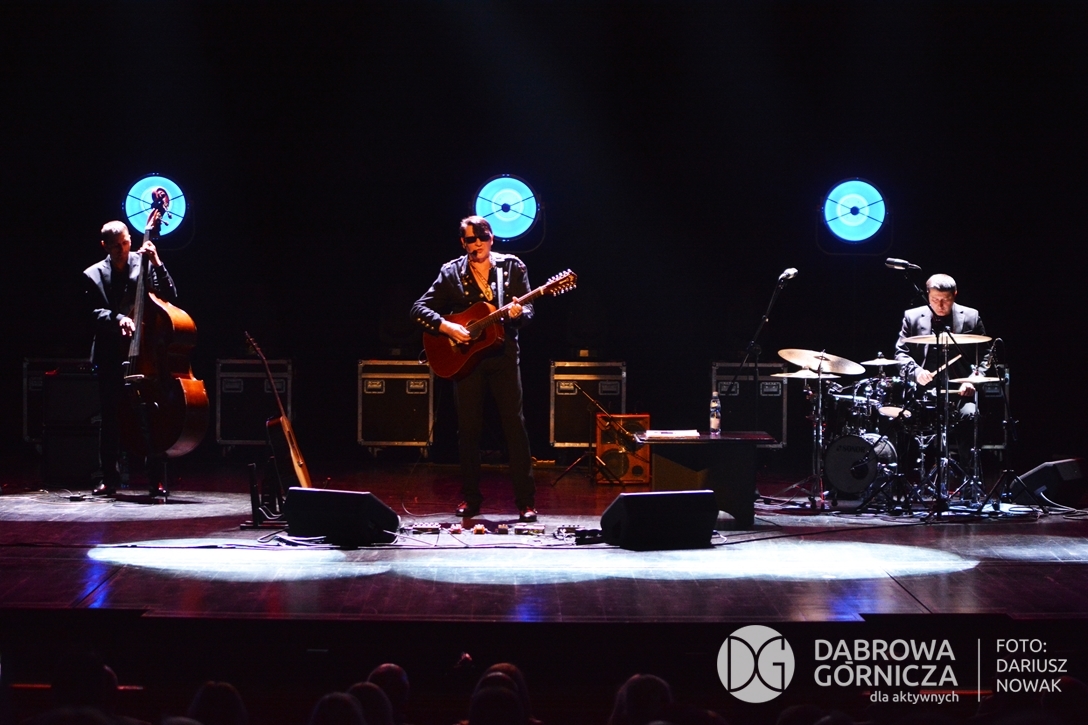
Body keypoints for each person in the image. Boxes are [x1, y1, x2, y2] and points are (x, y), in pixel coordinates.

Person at [411, 215, 537, 522]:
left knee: (514, 426)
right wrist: (448, 327)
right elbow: (418, 309)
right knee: (468, 430)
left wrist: (519, 313)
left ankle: (525, 502)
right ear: (462, 242)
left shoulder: (512, 267)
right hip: (466, 359)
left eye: (482, 238)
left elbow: (529, 310)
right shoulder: (450, 272)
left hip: (503, 355)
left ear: (492, 238)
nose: (477, 244)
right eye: (471, 239)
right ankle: (470, 499)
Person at [83, 220, 178, 497]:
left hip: (144, 353)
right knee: (110, 416)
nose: (123, 249)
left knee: (150, 414)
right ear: (105, 246)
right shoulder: (93, 275)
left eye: (126, 242)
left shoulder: (144, 262)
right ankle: (108, 478)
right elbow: (92, 313)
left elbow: (170, 295)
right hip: (111, 354)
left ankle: (154, 478)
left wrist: (157, 261)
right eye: (116, 246)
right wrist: (119, 319)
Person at [893, 273, 987, 469]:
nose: (941, 305)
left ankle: (969, 477)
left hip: (960, 393)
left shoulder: (971, 317)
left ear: (955, 294)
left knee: (971, 416)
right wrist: (916, 372)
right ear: (927, 294)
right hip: (923, 392)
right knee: (898, 421)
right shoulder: (912, 317)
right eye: (935, 299)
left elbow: (986, 356)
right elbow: (901, 354)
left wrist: (972, 379)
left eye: (946, 299)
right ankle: (905, 478)